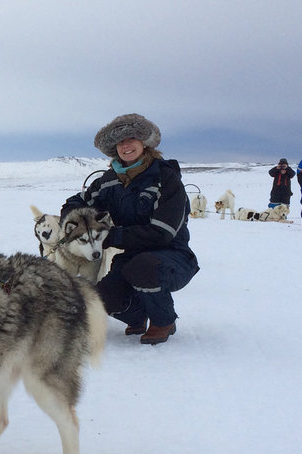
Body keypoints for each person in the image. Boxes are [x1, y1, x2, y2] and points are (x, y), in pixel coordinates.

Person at [61, 114, 199, 345]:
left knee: (142, 267)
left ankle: (163, 320)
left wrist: (110, 237)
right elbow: (75, 203)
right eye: (120, 142)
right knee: (102, 297)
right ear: (114, 148)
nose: (126, 146)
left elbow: (162, 233)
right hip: (132, 256)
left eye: (131, 139)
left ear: (143, 142)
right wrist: (77, 223)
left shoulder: (165, 178)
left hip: (172, 256)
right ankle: (138, 314)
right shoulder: (108, 181)